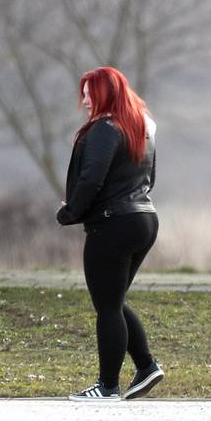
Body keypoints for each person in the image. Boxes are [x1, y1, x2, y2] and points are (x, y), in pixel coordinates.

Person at [57, 66, 163, 401]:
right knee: (113, 301)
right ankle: (146, 366)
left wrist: (71, 211)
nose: (85, 101)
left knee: (106, 306)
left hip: (113, 224)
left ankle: (107, 386)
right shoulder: (142, 128)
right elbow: (149, 178)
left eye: (90, 94)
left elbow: (92, 177)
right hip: (144, 219)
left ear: (106, 94)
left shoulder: (105, 129)